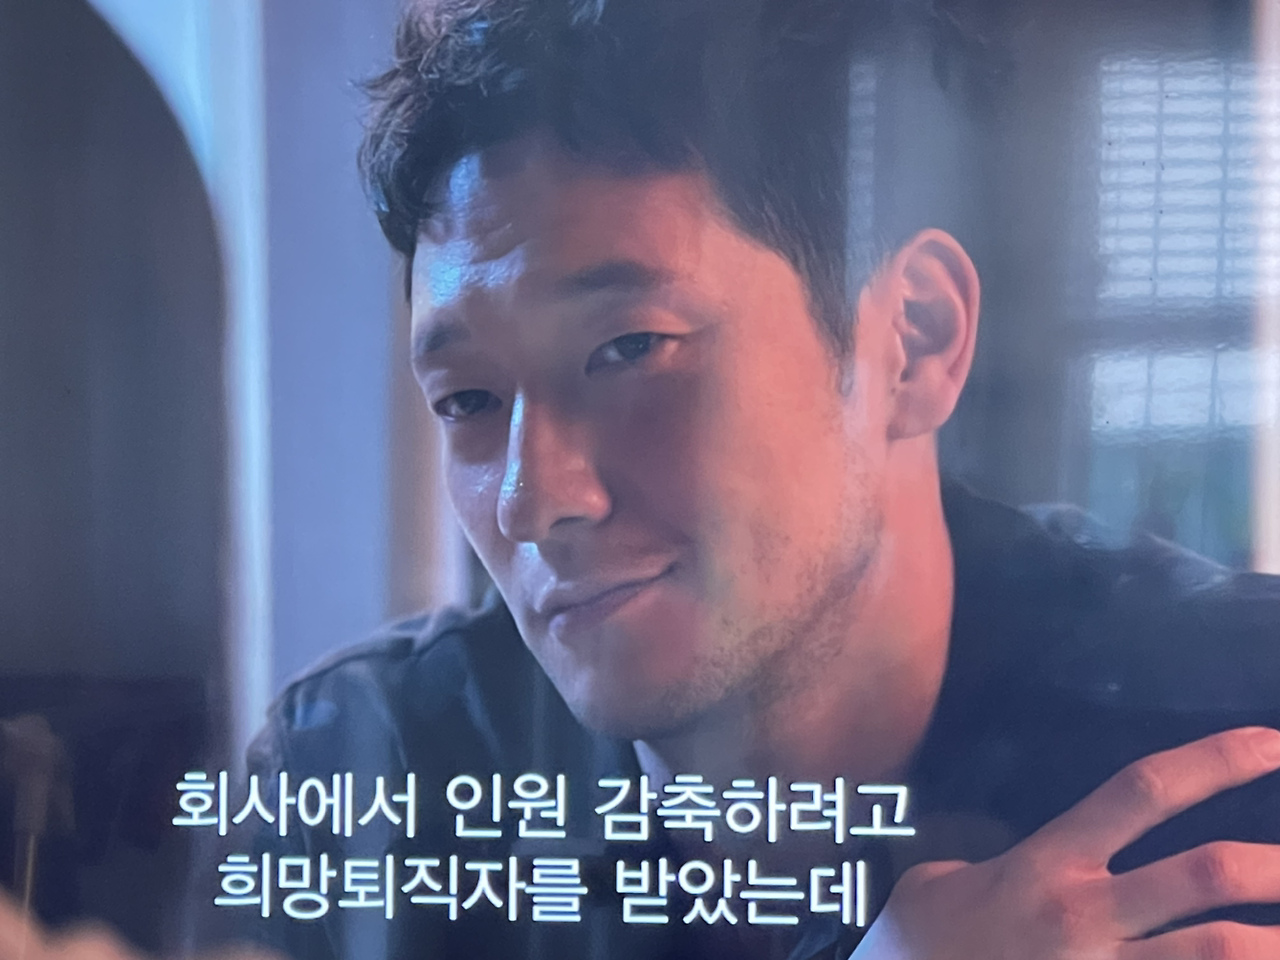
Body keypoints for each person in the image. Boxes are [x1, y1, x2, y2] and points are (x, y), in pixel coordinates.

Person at [3, 0, 1280, 958]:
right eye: (468, 401)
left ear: (912, 339)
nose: (530, 499)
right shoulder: (362, 772)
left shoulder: (1231, 724)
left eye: (629, 350)